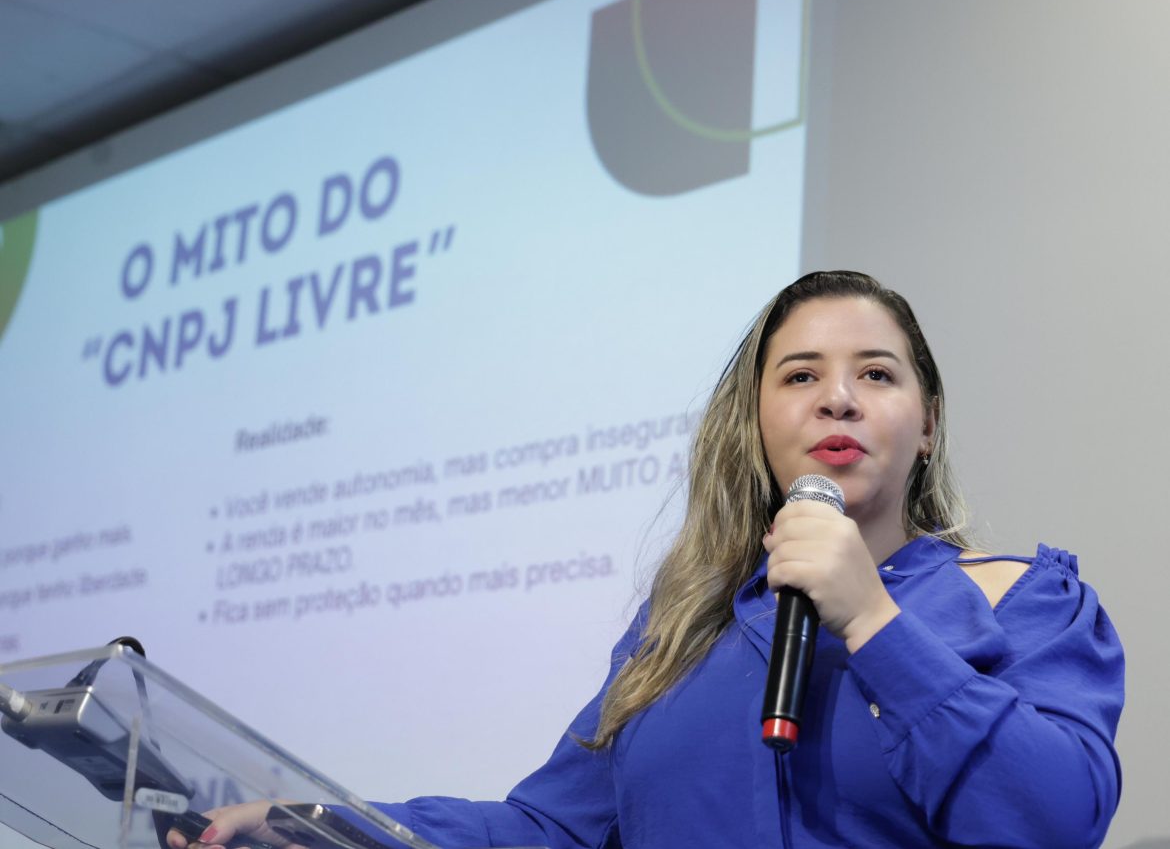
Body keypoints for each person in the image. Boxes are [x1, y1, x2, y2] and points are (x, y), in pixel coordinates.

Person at [171, 271, 1124, 849]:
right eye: (800, 376)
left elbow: (1054, 820)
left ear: (927, 426)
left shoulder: (1022, 599)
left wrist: (871, 621)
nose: (838, 399)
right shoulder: (680, 641)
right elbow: (549, 832)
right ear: (756, 423)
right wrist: (322, 829)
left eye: (876, 373)